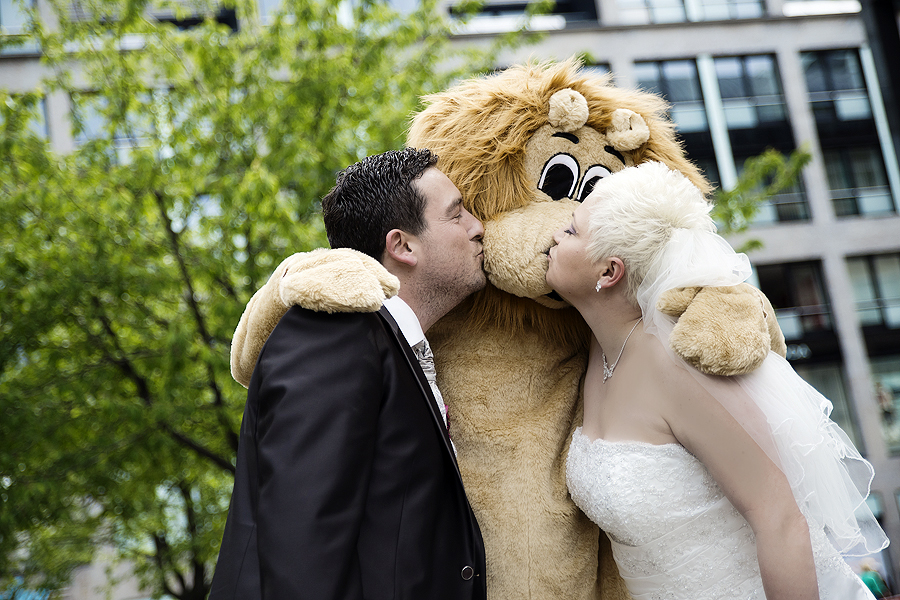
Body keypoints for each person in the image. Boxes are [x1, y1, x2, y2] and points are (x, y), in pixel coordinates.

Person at [546, 161, 889, 600]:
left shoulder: (680, 364)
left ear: (609, 272)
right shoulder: (596, 348)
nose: (556, 232)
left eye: (572, 231)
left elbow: (780, 519)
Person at [208, 148, 488, 600]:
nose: (477, 227)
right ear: (403, 246)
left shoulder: (380, 339)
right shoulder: (335, 330)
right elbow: (304, 543)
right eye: (457, 215)